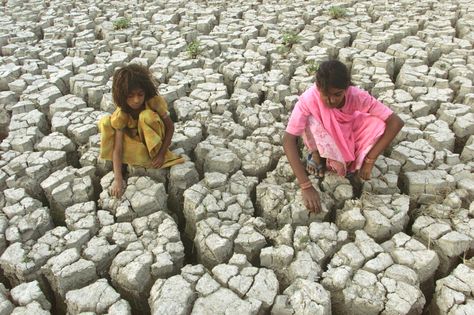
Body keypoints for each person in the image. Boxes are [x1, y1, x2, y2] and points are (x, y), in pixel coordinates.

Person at [283, 60, 404, 213]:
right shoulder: (308, 99)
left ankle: (346, 159)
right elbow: (288, 140)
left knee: (379, 123)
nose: (331, 100)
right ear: (318, 87)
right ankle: (317, 155)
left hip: (346, 135)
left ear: (346, 88)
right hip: (321, 140)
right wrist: (306, 186)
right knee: (311, 120)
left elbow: (395, 122)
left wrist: (370, 159)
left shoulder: (356, 96)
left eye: (337, 95)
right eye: (325, 95)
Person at [99, 64, 184, 198]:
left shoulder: (154, 102)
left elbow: (170, 127)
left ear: (146, 92)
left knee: (146, 116)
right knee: (105, 122)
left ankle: (153, 154)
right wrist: (118, 179)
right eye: (130, 96)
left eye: (140, 94)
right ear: (122, 95)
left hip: (155, 138)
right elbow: (118, 148)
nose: (136, 100)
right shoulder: (122, 114)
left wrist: (161, 154)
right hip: (136, 141)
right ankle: (142, 157)